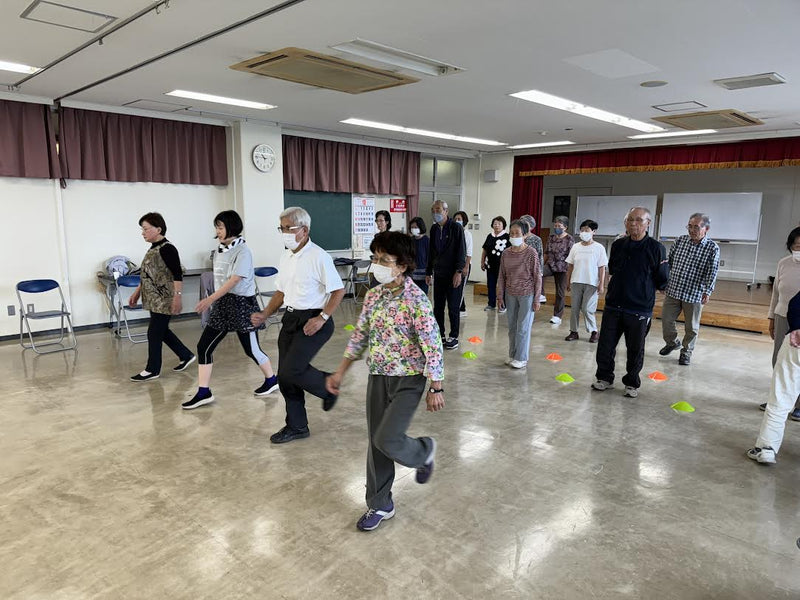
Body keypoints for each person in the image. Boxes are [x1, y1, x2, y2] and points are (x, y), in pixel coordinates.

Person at [326, 231, 444, 531]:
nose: (377, 265)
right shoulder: (374, 296)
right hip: (378, 375)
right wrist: (340, 371)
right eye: (375, 258)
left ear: (402, 265)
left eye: (384, 260)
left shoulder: (416, 300)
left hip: (409, 379)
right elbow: (360, 335)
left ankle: (422, 452)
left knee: (387, 438)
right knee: (375, 441)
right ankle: (380, 504)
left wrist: (436, 385)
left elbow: (432, 344)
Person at [251, 206, 345, 443]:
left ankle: (327, 387)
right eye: (281, 228)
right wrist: (265, 313)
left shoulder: (319, 256)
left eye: (288, 228)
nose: (284, 233)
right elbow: (281, 292)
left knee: (291, 370)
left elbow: (338, 291)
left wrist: (322, 318)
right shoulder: (286, 257)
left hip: (314, 319)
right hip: (291, 319)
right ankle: (297, 426)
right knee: (285, 377)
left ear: (304, 230)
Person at [183, 210, 278, 409]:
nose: (217, 231)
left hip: (242, 305)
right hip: (222, 304)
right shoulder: (220, 250)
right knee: (204, 347)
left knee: (251, 350)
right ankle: (203, 392)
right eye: (216, 227)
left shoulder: (243, 251)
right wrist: (214, 299)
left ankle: (271, 380)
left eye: (221, 227)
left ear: (231, 227)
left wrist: (209, 299)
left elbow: (234, 280)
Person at [592, 207, 669, 398]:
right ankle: (604, 377)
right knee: (605, 345)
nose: (633, 223)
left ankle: (632, 383)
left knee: (635, 348)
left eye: (639, 220)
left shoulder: (656, 248)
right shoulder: (618, 245)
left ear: (648, 223)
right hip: (614, 304)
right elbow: (613, 268)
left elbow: (662, 278)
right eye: (630, 219)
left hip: (639, 307)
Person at [129, 212, 195, 382]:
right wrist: (137, 292)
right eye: (142, 229)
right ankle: (185, 355)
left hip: (164, 299)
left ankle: (152, 369)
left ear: (158, 229)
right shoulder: (153, 248)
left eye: (145, 229)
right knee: (162, 330)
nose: (142, 233)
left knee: (154, 332)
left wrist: (177, 297)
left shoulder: (167, 248)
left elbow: (177, 274)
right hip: (154, 299)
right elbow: (147, 274)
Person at [747, 290, 800, 464]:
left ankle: (766, 448)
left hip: (796, 344)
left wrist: (797, 326)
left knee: (781, 398)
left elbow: (796, 303)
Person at [659, 213, 720, 365]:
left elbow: (712, 271)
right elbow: (669, 262)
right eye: (690, 226)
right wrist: (664, 281)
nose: (692, 230)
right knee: (666, 320)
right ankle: (672, 342)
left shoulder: (712, 248)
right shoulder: (680, 240)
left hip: (694, 293)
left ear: (706, 229)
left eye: (696, 227)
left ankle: (686, 352)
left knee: (691, 327)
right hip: (674, 288)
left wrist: (707, 291)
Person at [759, 226, 800, 418]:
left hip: (799, 321)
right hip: (782, 316)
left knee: (797, 362)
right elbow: (776, 293)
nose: (798, 249)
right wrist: (771, 318)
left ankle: (799, 404)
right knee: (778, 360)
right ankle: (777, 400)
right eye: (796, 245)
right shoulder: (783, 263)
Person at [497, 220, 542, 368]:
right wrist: (500, 296)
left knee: (523, 327)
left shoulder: (531, 252)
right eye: (512, 233)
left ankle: (521, 358)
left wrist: (537, 299)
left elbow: (537, 276)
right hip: (510, 294)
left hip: (527, 294)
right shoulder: (506, 253)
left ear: (524, 235)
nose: (514, 236)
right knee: (512, 327)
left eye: (517, 233)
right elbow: (502, 276)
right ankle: (512, 354)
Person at [426, 200, 466, 350]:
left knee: (453, 307)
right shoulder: (434, 229)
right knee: (438, 307)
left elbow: (461, 251)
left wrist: (458, 272)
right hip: (439, 273)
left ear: (446, 211)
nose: (435, 212)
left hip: (453, 273)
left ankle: (454, 336)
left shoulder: (456, 228)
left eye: (438, 210)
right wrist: (429, 271)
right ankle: (440, 334)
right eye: (433, 210)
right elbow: (431, 252)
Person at [564, 219, 608, 343]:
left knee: (587, 308)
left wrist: (601, 284)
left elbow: (602, 267)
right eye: (582, 230)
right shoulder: (575, 247)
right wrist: (568, 281)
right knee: (574, 308)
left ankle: (594, 331)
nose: (584, 232)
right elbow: (570, 266)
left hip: (591, 283)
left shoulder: (599, 248)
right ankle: (573, 331)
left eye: (587, 230)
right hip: (576, 281)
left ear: (594, 232)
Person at [542, 216, 574, 325]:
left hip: (563, 268)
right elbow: (546, 252)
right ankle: (541, 294)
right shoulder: (551, 238)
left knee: (560, 293)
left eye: (559, 226)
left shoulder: (569, 239)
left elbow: (571, 256)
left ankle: (557, 316)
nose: (556, 228)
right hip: (551, 265)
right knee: (538, 272)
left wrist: (570, 273)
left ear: (565, 227)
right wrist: (541, 264)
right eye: (555, 225)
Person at [480, 216, 509, 313]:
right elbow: (484, 250)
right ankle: (491, 304)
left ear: (503, 225)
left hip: (503, 267)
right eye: (495, 223)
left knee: (502, 286)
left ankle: (503, 305)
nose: (496, 225)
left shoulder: (507, 236)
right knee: (490, 285)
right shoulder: (490, 236)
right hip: (490, 266)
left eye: (499, 224)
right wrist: (482, 262)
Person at [520, 214, 546, 303]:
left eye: (525, 224)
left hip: (530, 269)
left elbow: (540, 255)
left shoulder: (536, 239)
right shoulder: (516, 237)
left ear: (531, 226)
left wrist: (540, 271)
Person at [453, 211, 473, 318]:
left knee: (460, 288)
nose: (457, 221)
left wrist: (466, 267)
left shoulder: (467, 234)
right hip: (454, 264)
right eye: (455, 219)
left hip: (464, 264)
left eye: (459, 219)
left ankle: (461, 309)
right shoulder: (453, 232)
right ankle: (458, 307)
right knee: (455, 287)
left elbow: (469, 253)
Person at [409, 216, 429, 293]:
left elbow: (429, 258)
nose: (413, 229)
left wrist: (429, 274)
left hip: (424, 276)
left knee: (422, 296)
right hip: (412, 275)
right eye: (412, 227)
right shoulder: (410, 241)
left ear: (421, 227)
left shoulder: (427, 241)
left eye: (415, 227)